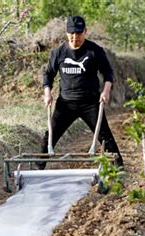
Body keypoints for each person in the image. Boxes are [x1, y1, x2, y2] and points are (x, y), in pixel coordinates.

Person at [38, 16, 123, 169]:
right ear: (66, 32)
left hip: (90, 103)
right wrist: (47, 92)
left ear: (85, 31)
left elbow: (108, 72)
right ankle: (37, 169)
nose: (75, 37)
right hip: (65, 104)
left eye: (78, 33)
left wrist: (106, 90)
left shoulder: (94, 51)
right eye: (71, 33)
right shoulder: (59, 53)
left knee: (105, 136)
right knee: (49, 136)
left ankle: (119, 169)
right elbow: (48, 74)